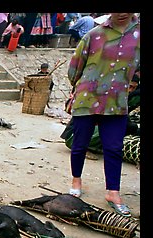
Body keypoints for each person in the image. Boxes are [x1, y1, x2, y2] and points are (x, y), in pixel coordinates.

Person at [67, 13, 139, 217]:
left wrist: (132, 83)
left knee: (114, 148)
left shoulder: (138, 36)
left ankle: (113, 192)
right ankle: (76, 181)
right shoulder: (93, 35)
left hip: (116, 102)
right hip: (87, 98)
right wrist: (77, 88)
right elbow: (74, 68)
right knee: (80, 143)